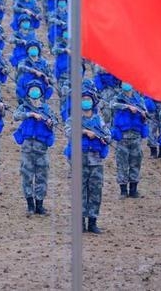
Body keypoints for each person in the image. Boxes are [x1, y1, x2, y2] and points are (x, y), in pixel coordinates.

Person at [64, 83, 111, 234]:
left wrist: (102, 138)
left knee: (95, 191)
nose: (86, 102)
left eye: (88, 99)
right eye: (83, 99)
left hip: (95, 160)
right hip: (79, 159)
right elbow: (68, 131)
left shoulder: (99, 119)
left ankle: (92, 221)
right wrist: (84, 131)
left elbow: (108, 136)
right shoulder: (74, 118)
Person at [13, 81, 56, 216]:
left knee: (42, 177)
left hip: (41, 149)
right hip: (27, 149)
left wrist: (49, 122)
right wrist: (30, 114)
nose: (34, 92)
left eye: (37, 89)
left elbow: (55, 122)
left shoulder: (47, 109)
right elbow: (15, 116)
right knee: (27, 176)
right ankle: (30, 205)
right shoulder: (24, 107)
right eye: (32, 90)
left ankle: (39, 205)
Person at [110, 82, 149, 199]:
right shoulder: (118, 98)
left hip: (136, 135)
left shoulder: (139, 100)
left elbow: (146, 114)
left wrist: (142, 114)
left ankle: (133, 189)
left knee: (135, 162)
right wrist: (127, 107)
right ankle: (123, 190)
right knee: (122, 163)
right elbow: (112, 105)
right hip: (122, 136)